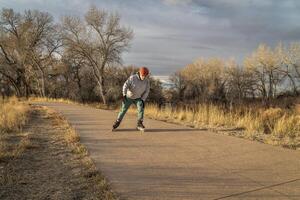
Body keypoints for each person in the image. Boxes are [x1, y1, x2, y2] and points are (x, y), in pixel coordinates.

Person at [112, 67, 150, 131]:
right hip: (128, 97)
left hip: (138, 98)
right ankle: (117, 122)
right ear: (140, 73)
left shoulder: (146, 81)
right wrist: (124, 95)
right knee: (123, 109)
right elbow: (125, 85)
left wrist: (143, 99)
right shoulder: (133, 78)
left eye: (145, 75)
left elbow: (147, 91)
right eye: (143, 75)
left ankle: (139, 124)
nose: (144, 77)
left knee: (141, 107)